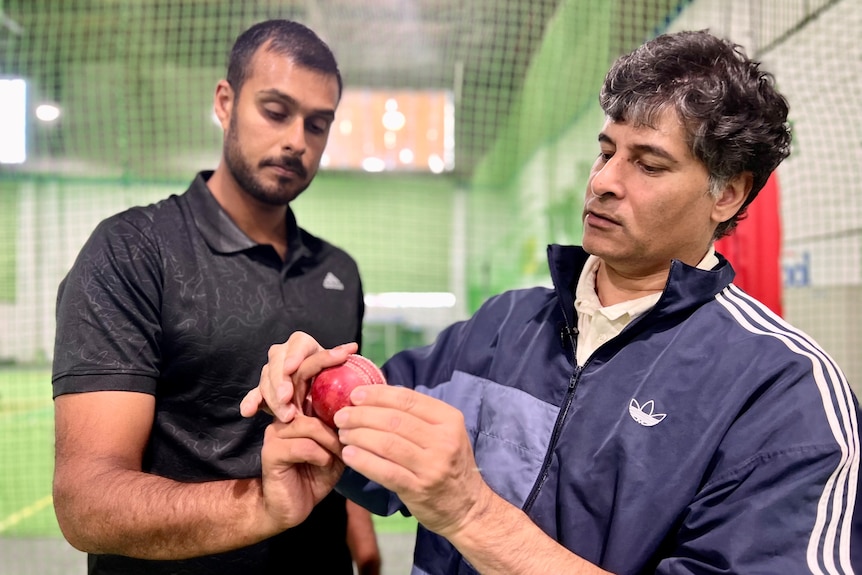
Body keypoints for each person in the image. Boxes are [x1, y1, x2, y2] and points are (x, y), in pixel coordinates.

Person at [243, 29, 862, 574]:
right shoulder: (505, 324)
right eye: (606, 151)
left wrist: (470, 513)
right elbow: (383, 434)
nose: (603, 182)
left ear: (726, 196)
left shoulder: (785, 396)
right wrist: (318, 390)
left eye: (647, 164)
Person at [51, 19, 381, 575]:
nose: (297, 140)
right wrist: (261, 506)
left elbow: (331, 422)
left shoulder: (339, 271)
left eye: (318, 124)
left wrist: (360, 534)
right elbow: (85, 503)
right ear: (225, 102)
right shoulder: (133, 250)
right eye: (276, 112)